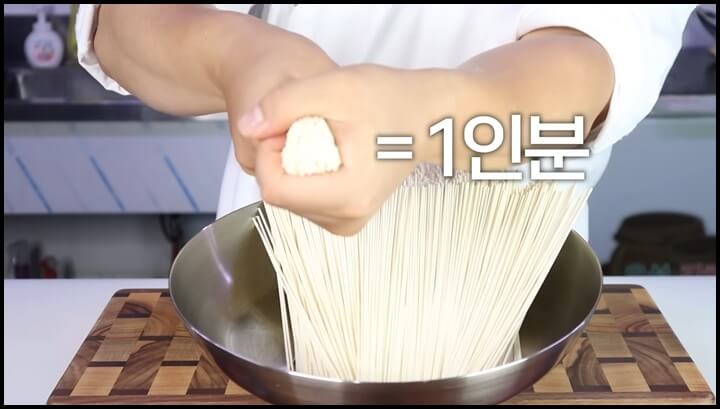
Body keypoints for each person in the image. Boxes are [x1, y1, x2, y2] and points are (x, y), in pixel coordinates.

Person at [76, 4, 696, 237]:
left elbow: (583, 81)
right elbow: (124, 25)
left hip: (511, 314)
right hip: (276, 301)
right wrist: (240, 57)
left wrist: (414, 127)